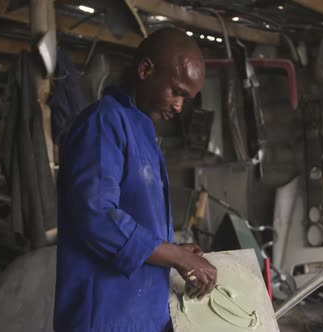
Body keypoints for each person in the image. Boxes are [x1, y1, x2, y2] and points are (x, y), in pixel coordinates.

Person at [54, 28, 217, 332]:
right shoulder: (104, 123)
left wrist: (174, 248)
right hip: (106, 315)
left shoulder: (141, 129)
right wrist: (177, 256)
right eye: (177, 92)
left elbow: (136, 217)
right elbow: (97, 217)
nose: (179, 106)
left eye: (187, 98)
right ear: (145, 70)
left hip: (142, 313)